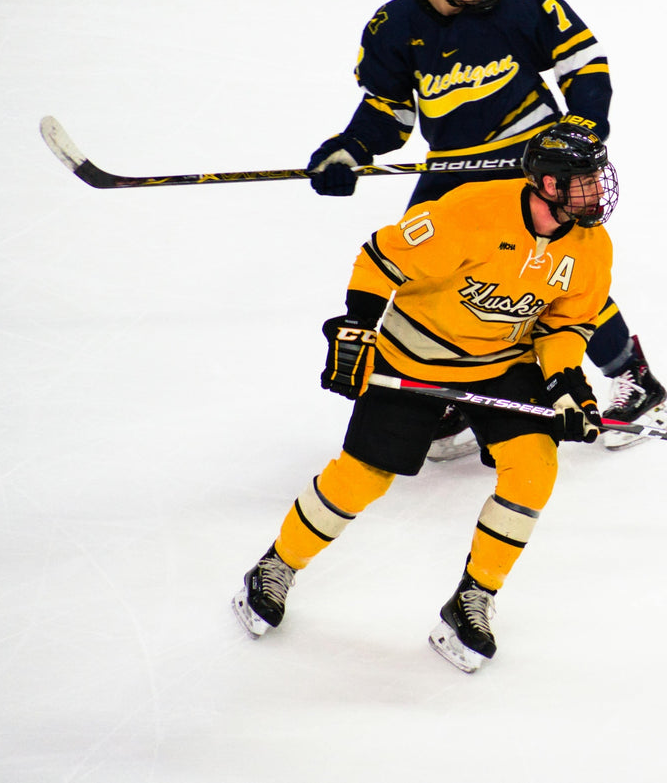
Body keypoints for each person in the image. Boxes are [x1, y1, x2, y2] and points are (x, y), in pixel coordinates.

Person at [234, 125, 618, 672]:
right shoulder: (469, 211)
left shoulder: (590, 246)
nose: (598, 192)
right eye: (584, 182)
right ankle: (278, 565)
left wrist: (566, 384)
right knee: (363, 475)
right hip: (415, 356)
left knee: (534, 468)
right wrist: (358, 327)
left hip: (499, 364)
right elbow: (378, 258)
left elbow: (567, 322)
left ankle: (472, 599)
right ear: (548, 183)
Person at [304, 0, 667, 457]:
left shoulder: (524, 3)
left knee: (558, 268)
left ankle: (633, 378)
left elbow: (586, 66)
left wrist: (584, 127)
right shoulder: (394, 27)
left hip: (535, 158)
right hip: (455, 167)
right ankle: (459, 390)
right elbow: (389, 110)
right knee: (423, 269)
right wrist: (352, 147)